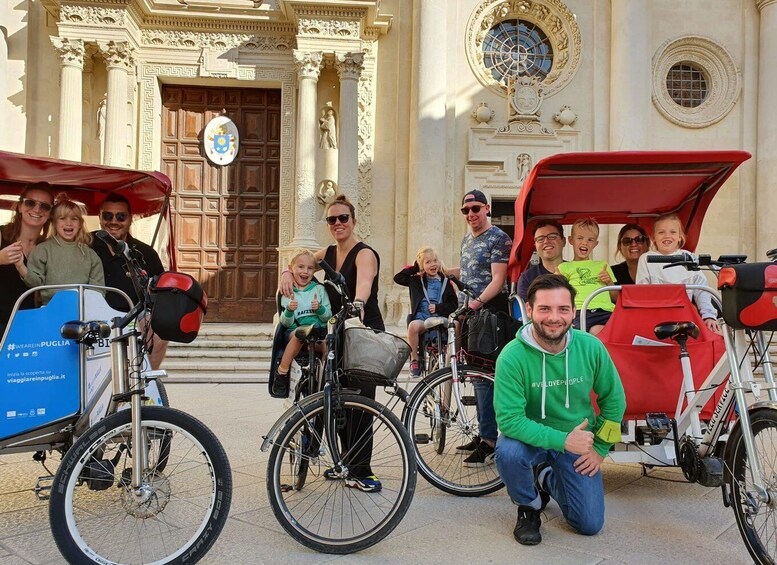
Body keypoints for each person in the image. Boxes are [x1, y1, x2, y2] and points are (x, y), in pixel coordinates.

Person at [494, 274, 625, 546]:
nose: (554, 317)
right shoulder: (511, 356)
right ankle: (528, 507)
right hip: (530, 439)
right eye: (545, 309)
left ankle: (545, 477)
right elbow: (509, 421)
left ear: (573, 312)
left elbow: (614, 400)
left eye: (563, 309)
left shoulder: (591, 346)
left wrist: (600, 448)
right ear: (529, 311)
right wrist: (561, 440)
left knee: (589, 524)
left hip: (576, 444)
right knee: (508, 451)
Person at [279, 194, 384, 492]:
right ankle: (346, 464)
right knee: (338, 400)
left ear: (353, 220)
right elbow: (302, 262)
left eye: (343, 218)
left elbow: (363, 284)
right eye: (331, 219)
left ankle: (363, 471)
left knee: (360, 402)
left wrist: (358, 302)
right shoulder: (327, 252)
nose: (338, 223)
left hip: (363, 330)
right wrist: (288, 271)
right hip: (338, 332)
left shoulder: (364, 254)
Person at [448, 189, 512, 467]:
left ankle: (490, 441)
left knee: (486, 377)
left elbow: (498, 279)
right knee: (476, 376)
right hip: (470, 314)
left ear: (487, 208)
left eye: (475, 208)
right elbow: (470, 271)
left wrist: (475, 304)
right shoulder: (467, 239)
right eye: (466, 210)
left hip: (490, 312)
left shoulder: (499, 238)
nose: (471, 214)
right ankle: (484, 434)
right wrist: (441, 271)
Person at [91, 193, 168, 369]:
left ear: (130, 219)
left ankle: (146, 382)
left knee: (160, 330)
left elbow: (158, 293)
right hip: (91, 312)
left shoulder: (145, 253)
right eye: (108, 216)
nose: (114, 221)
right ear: (100, 218)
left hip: (132, 315)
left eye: (121, 216)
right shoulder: (85, 244)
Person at [635, 213, 721, 333]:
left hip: (685, 315)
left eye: (673, 232)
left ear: (680, 237)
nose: (667, 236)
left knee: (717, 333)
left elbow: (702, 290)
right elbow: (642, 292)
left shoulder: (689, 257)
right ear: (653, 237)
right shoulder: (646, 258)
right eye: (661, 232)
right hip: (656, 315)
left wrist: (709, 316)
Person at [20, 194, 104, 304]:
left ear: (80, 224)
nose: (68, 223)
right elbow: (35, 282)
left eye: (74, 219)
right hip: (50, 309)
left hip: (82, 310)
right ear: (54, 223)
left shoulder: (90, 254)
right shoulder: (43, 250)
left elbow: (98, 290)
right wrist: (20, 265)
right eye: (62, 218)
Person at [271, 249, 332, 397]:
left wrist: (320, 309)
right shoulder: (288, 291)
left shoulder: (319, 289)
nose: (305, 271)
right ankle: (281, 373)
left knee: (327, 346)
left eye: (310, 268)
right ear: (291, 269)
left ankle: (324, 377)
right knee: (299, 335)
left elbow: (328, 317)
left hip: (316, 334)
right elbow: (285, 323)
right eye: (300, 267)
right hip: (295, 332)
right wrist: (289, 311)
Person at [393, 246, 458, 376]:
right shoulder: (416, 281)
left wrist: (439, 307)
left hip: (440, 317)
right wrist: (416, 267)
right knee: (413, 326)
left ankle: (455, 356)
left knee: (456, 324)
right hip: (423, 318)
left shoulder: (446, 282)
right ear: (421, 265)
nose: (433, 264)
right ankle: (415, 359)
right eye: (427, 262)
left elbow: (454, 304)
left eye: (435, 260)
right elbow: (398, 278)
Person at [0, 184, 54, 335]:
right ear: (19, 206)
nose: (37, 209)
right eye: (30, 203)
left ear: (50, 213)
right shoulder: (1, 234)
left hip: (32, 325)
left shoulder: (49, 247)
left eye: (44, 206)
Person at [557, 218, 617, 335]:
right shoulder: (564, 267)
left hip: (606, 311)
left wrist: (609, 282)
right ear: (571, 240)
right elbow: (559, 295)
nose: (585, 243)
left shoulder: (603, 265)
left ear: (596, 244)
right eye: (580, 238)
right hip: (580, 312)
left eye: (590, 240)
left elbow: (615, 298)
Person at [516, 220, 565, 302]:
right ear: (535, 246)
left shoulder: (577, 270)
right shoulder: (527, 278)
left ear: (563, 241)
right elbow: (526, 313)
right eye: (540, 239)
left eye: (552, 236)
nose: (546, 241)